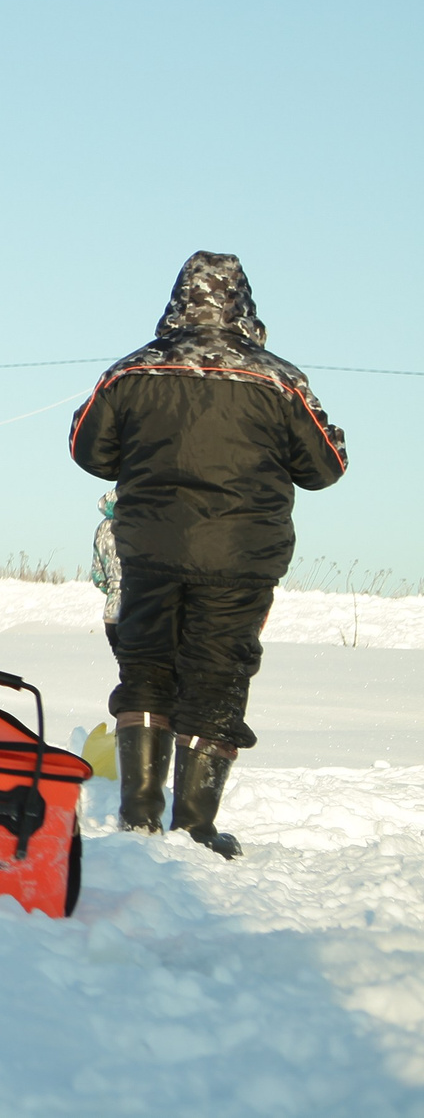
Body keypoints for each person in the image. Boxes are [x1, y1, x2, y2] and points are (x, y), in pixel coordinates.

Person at [71, 251, 346, 857]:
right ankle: (195, 827)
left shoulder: (129, 372)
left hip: (148, 548)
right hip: (241, 558)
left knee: (144, 669)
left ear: (177, 302)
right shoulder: (279, 379)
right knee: (217, 677)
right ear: (244, 305)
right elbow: (326, 466)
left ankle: (139, 815)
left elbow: (88, 451)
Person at [89, 491, 121, 650]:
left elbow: (98, 575)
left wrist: (112, 590)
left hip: (112, 613)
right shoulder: (142, 523)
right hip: (141, 608)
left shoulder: (102, 528)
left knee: (123, 664)